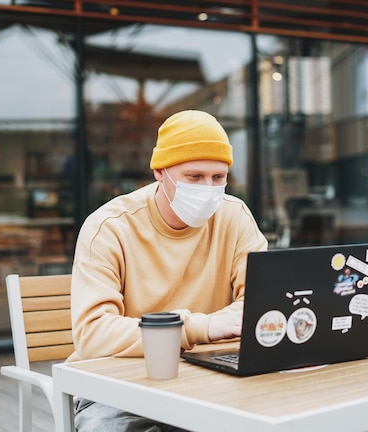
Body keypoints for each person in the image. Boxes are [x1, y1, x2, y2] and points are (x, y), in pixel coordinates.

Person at [68, 110, 268, 432]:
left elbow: (260, 302)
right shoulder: (109, 227)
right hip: (116, 385)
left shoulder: (235, 217)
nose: (209, 188)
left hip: (205, 376)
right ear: (160, 172)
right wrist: (201, 327)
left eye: (219, 178)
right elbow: (93, 333)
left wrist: (220, 326)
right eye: (194, 176)